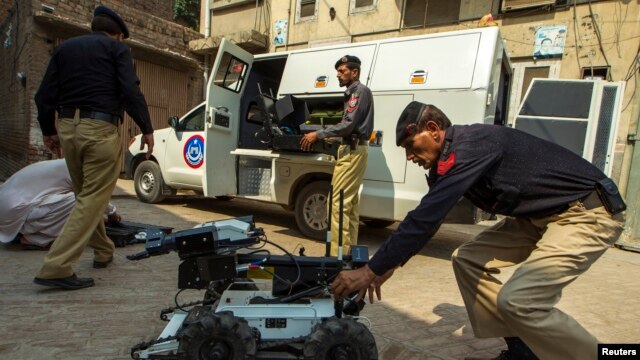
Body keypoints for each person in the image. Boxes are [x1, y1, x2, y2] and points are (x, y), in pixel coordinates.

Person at [331, 102, 625, 360]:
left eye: (411, 146)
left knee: (520, 301)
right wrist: (387, 266)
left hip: (585, 212)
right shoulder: (445, 165)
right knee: (467, 258)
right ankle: (523, 348)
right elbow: (429, 219)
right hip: (536, 217)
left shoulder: (472, 145)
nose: (409, 156)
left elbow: (424, 217)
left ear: (433, 129)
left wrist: (370, 270)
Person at [33, 5, 154, 290]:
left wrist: (49, 131)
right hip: (99, 129)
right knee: (92, 197)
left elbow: (43, 96)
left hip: (68, 126)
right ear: (118, 36)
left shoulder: (64, 49)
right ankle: (56, 266)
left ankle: (103, 251)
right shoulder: (117, 51)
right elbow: (129, 90)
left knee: (86, 195)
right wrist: (146, 128)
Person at [300, 55, 374, 256]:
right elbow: (351, 127)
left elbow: (349, 124)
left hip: (352, 152)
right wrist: (336, 138)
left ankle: (338, 256)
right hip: (353, 148)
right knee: (349, 204)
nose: (338, 75)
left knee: (338, 203)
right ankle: (349, 253)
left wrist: (319, 134)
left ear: (354, 72)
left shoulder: (358, 92)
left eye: (342, 71)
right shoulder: (355, 93)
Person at [0, 160, 121, 250]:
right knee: (78, 200)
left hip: (7, 208)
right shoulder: (78, 171)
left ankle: (25, 230)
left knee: (70, 200)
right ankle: (34, 239)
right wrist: (112, 213)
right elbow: (93, 197)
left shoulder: (67, 164)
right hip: (14, 210)